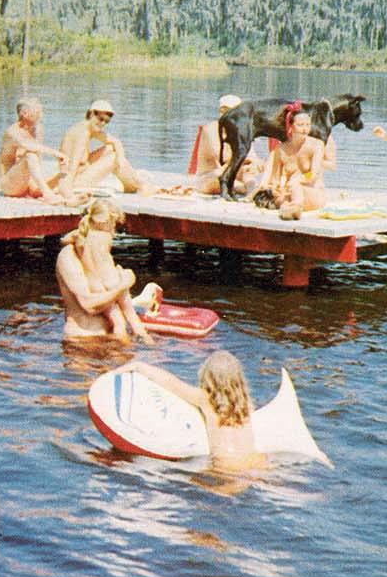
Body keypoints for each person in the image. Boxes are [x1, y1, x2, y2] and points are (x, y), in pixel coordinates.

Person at [122, 353, 264, 473]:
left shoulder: (205, 399)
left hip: (225, 463)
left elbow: (170, 382)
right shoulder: (246, 404)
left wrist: (139, 366)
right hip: (256, 461)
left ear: (208, 378)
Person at [54, 198, 152, 343]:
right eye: (113, 226)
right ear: (105, 223)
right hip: (81, 340)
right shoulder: (67, 257)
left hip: (110, 338)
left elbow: (118, 299)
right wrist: (124, 284)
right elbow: (89, 305)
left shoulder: (100, 254)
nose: (113, 234)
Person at [56, 99, 152, 204]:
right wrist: (67, 192)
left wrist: (121, 159)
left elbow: (116, 142)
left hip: (80, 174)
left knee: (111, 149)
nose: (103, 124)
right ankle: (138, 185)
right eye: (100, 119)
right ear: (92, 114)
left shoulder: (88, 128)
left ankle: (133, 184)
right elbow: (72, 167)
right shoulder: (82, 134)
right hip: (74, 181)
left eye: (106, 121)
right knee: (113, 158)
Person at [256, 106, 326, 219]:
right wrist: (275, 190)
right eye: (300, 125)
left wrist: (299, 180)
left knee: (295, 187)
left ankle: (294, 207)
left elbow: (314, 174)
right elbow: (275, 180)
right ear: (291, 127)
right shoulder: (281, 149)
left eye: (308, 125)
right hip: (289, 193)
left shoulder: (316, 145)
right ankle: (291, 208)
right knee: (281, 198)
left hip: (312, 192)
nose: (305, 129)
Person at [189, 93, 262, 196]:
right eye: (224, 111)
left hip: (235, 174)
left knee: (250, 177)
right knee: (219, 180)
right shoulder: (209, 131)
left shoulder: (243, 130)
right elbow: (218, 169)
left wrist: (257, 164)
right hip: (211, 176)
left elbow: (252, 158)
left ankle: (250, 190)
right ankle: (243, 189)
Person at [0, 98, 66, 202]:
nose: (41, 115)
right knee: (30, 155)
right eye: (38, 112)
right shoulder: (12, 132)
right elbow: (28, 146)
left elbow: (38, 159)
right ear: (24, 114)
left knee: (67, 170)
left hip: (28, 183)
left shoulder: (38, 129)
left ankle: (67, 195)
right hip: (9, 185)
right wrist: (55, 153)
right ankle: (47, 194)